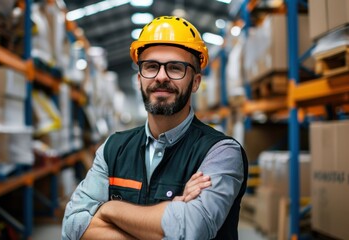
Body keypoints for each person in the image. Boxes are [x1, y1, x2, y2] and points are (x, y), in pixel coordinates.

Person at [62, 16, 248, 240]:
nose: (161, 77)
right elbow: (73, 226)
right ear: (140, 78)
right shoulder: (113, 149)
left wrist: (108, 210)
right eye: (151, 67)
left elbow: (191, 231)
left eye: (175, 68)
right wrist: (169, 215)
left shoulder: (220, 152)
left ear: (196, 81)